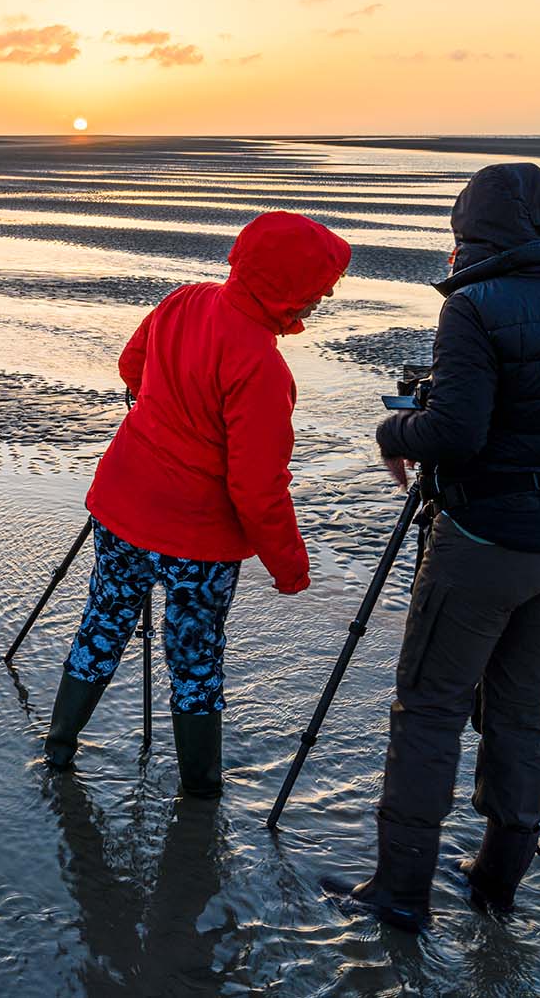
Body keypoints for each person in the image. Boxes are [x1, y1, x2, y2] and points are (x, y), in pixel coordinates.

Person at [334, 162, 540, 931]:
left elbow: (455, 435)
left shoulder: (473, 307)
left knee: (430, 708)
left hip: (485, 541)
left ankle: (400, 890)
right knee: (519, 711)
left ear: (470, 230)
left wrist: (393, 428)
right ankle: (499, 877)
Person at [43, 211, 352, 798]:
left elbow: (132, 367)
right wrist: (290, 567)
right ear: (283, 283)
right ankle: (201, 793)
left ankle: (59, 749)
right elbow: (257, 488)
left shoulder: (185, 300)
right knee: (194, 659)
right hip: (197, 541)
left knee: (103, 623)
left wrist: (159, 406)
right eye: (317, 289)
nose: (322, 299)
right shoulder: (262, 366)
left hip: (123, 507)